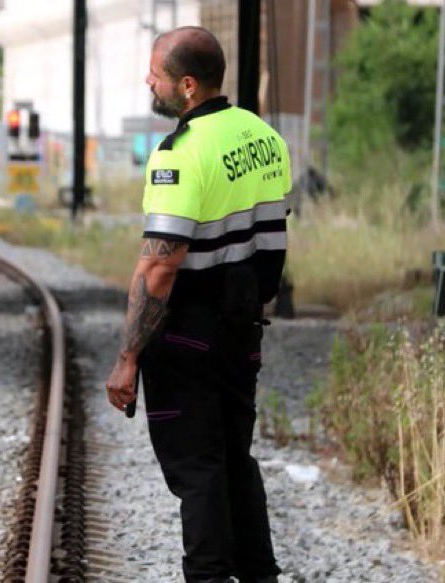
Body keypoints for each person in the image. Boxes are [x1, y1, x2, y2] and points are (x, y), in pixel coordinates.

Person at [104, 27, 290, 583]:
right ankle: (259, 575)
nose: (148, 81)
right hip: (242, 327)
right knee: (235, 459)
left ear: (186, 86)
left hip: (188, 333)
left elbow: (161, 264)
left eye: (155, 73)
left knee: (197, 469)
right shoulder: (262, 136)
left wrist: (128, 356)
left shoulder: (181, 156)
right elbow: (270, 238)